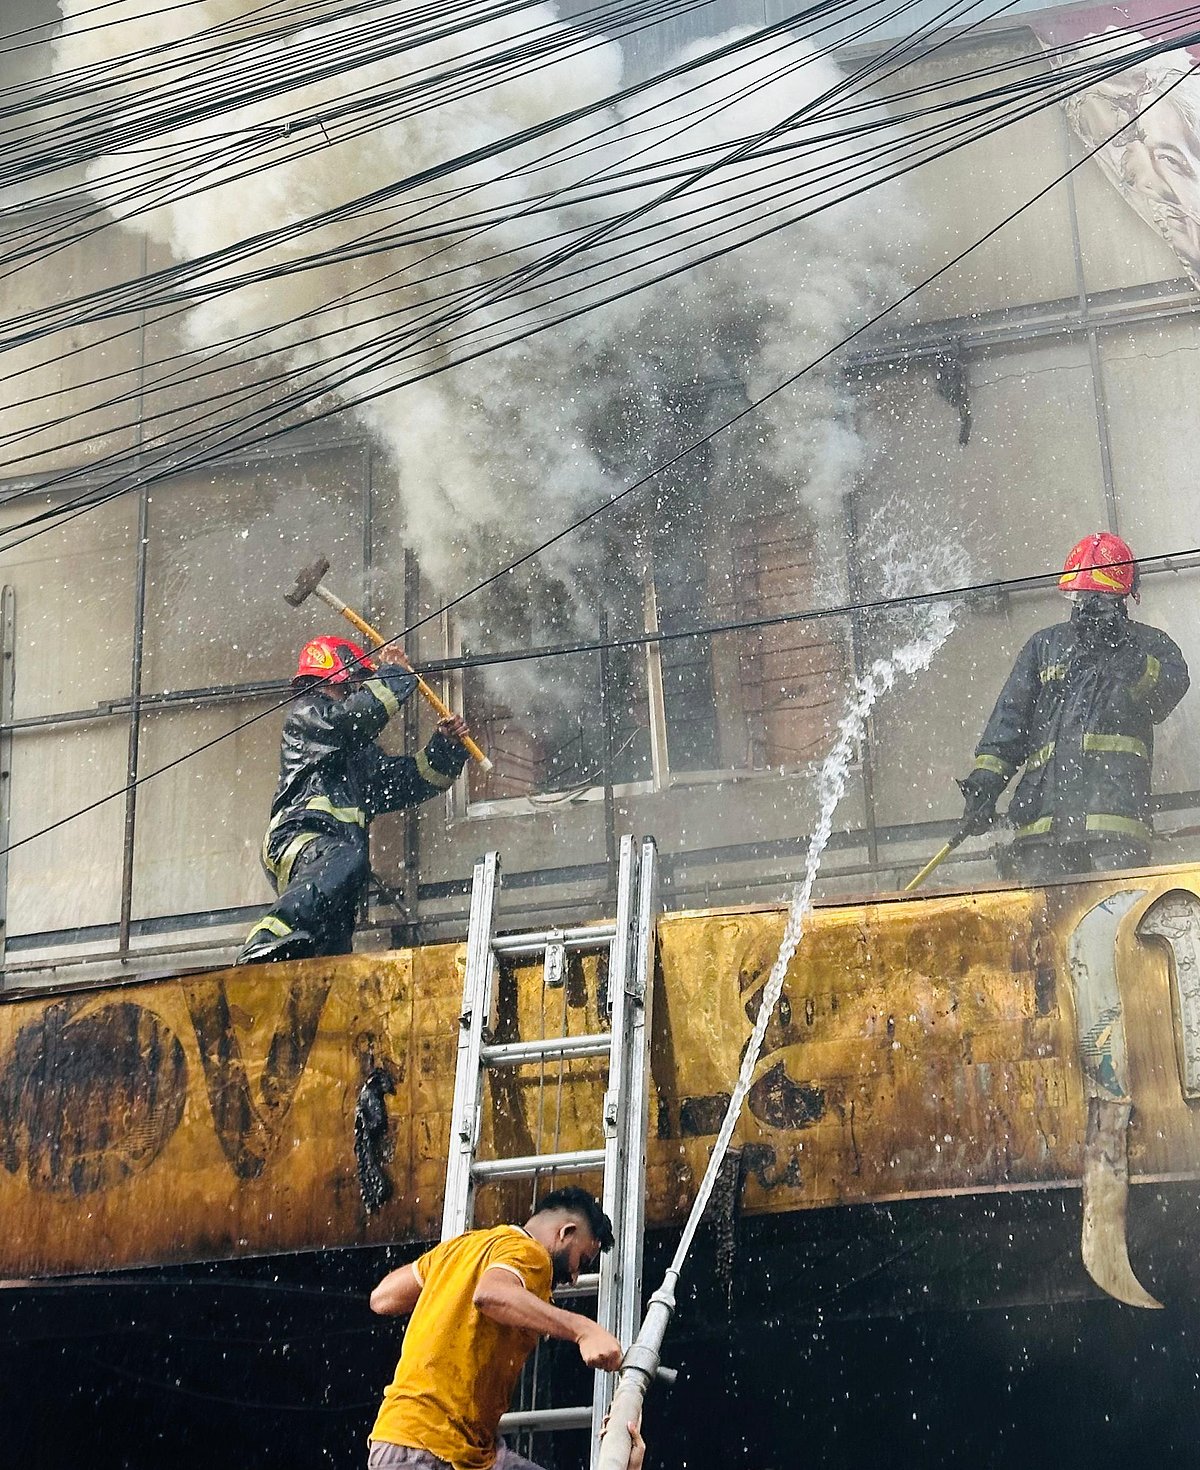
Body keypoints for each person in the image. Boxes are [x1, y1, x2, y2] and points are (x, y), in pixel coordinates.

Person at [957, 532, 1189, 882]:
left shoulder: (1150, 644)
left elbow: (1166, 695)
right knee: (1046, 929)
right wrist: (984, 787)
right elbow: (1009, 724)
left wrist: (1123, 652)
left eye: (1098, 596)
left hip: (1115, 824)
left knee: (1113, 924)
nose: (1088, 604)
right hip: (1041, 827)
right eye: (1082, 596)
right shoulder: (1045, 646)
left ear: (1123, 596)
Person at [238, 635, 471, 964]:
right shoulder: (308, 714)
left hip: (337, 857)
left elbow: (408, 782)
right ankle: (266, 939)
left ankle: (300, 971)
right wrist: (393, 674)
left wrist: (446, 747)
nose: (364, 686)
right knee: (345, 859)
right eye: (361, 677)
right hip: (303, 835)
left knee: (332, 950)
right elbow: (356, 717)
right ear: (338, 672)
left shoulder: (358, 758)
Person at [367, 1186, 624, 1470]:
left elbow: (382, 1298)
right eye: (582, 1261)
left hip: (436, 1445)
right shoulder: (532, 1254)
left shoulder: (462, 1247)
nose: (574, 1277)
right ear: (566, 1232)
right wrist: (584, 1329)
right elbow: (491, 1295)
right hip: (427, 1449)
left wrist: (450, 1285)